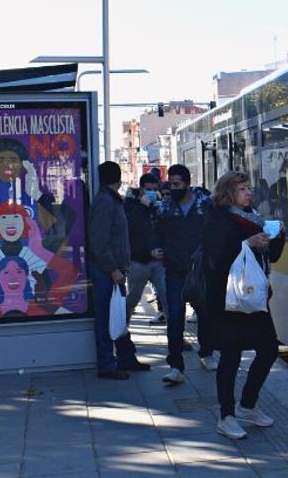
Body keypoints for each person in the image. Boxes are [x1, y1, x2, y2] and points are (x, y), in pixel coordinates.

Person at [202, 171, 285, 439]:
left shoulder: (254, 218)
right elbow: (215, 260)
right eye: (242, 189)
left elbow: (271, 255)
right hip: (229, 299)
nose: (249, 192)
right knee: (230, 355)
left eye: (249, 188)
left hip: (254, 297)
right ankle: (226, 416)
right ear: (228, 193)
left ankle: (247, 404)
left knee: (269, 349)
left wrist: (277, 236)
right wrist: (246, 244)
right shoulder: (217, 218)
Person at [88, 161, 148, 379]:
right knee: (106, 317)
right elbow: (99, 241)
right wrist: (113, 269)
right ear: (119, 177)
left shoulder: (112, 200)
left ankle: (126, 358)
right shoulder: (105, 203)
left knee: (118, 315)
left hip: (115, 270)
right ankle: (107, 364)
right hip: (107, 272)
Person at [156, 164, 213, 384]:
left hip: (199, 271)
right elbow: (157, 232)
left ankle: (206, 352)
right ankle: (175, 366)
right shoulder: (165, 208)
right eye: (171, 184)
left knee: (205, 315)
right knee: (175, 317)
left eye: (177, 184)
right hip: (174, 270)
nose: (173, 188)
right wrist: (156, 248)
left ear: (188, 183)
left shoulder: (204, 205)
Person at [124, 173, 170, 322]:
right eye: (148, 189)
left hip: (159, 262)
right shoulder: (131, 205)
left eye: (155, 190)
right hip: (138, 262)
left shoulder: (160, 205)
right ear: (141, 189)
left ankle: (177, 336)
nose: (152, 193)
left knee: (168, 299)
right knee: (132, 299)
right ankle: (121, 331)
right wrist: (143, 205)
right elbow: (130, 232)